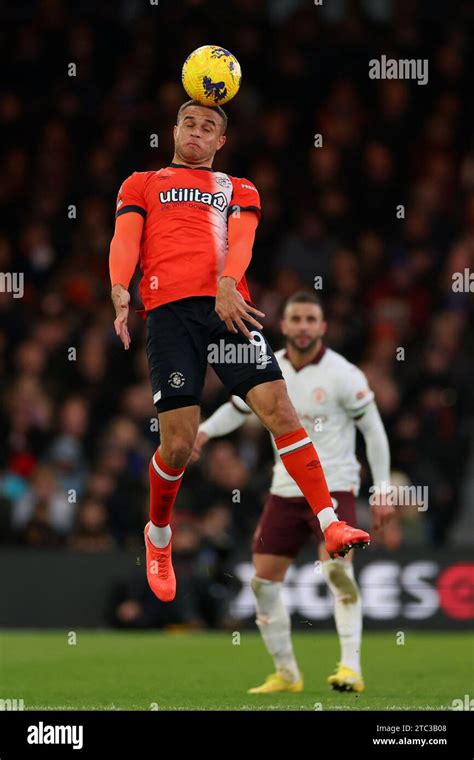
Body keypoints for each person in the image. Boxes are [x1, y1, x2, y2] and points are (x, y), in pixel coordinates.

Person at [108, 100, 369, 605]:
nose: (198, 133)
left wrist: (229, 283)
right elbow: (125, 237)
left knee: (281, 411)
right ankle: (159, 536)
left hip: (229, 311)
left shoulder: (238, 187)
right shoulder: (141, 183)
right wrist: (120, 288)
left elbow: (243, 239)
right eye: (190, 123)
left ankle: (330, 523)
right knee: (178, 445)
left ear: (220, 142)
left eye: (209, 127)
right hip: (169, 316)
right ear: (175, 130)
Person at [193, 291, 393, 693]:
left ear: (322, 327)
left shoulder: (345, 374)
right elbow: (236, 409)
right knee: (262, 583)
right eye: (296, 319)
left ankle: (350, 668)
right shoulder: (268, 368)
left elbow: (373, 430)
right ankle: (287, 673)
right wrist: (203, 431)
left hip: (334, 488)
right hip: (284, 490)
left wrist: (384, 486)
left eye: (310, 319)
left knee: (337, 571)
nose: (302, 326)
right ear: (283, 326)